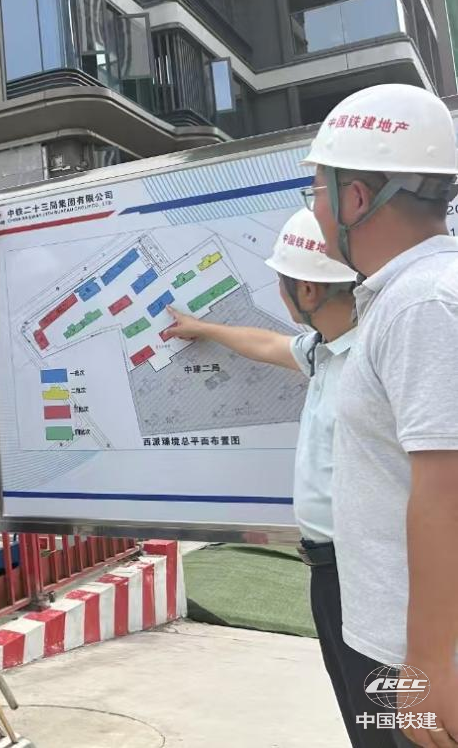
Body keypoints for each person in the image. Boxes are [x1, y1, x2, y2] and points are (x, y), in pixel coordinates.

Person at [161, 209, 379, 745]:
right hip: (330, 571)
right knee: (364, 714)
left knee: (393, 715)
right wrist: (203, 328)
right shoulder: (325, 350)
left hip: (370, 574)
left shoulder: (372, 359)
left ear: (306, 289)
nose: (278, 293)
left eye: (281, 281)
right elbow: (268, 345)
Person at [302, 83, 458, 748]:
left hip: (424, 657)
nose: (313, 208)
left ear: (355, 199)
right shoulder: (406, 298)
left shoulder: (423, 303)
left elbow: (445, 489)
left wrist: (429, 665)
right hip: (399, 641)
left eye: (317, 189)